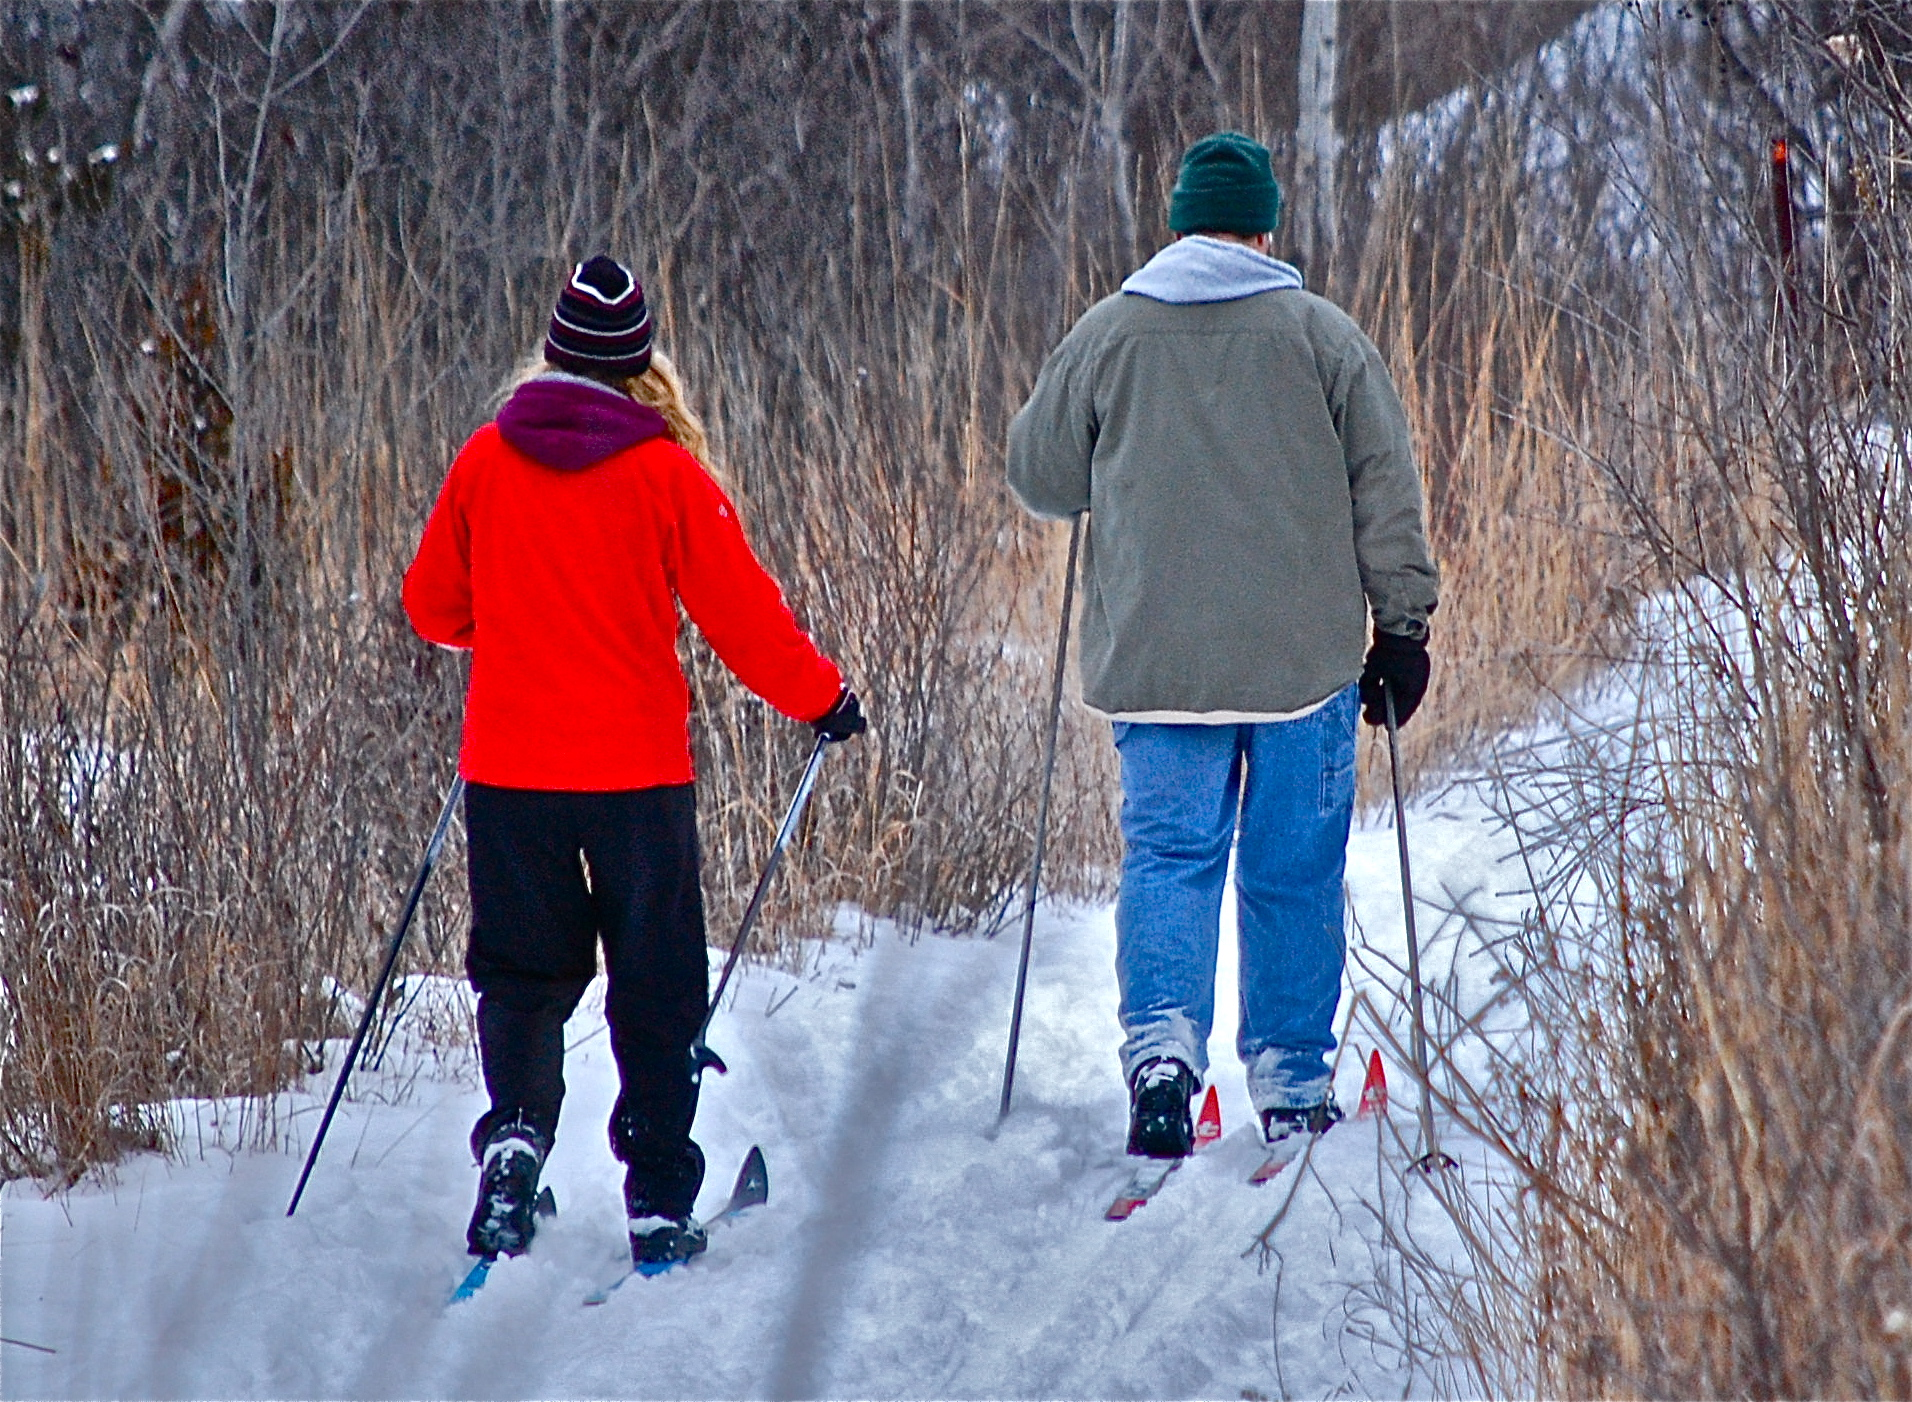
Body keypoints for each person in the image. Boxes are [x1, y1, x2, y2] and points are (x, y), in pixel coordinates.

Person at [403, 255, 865, 1267]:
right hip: (635, 779)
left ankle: (515, 1147)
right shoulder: (665, 475)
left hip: (511, 773)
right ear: (637, 362)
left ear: (555, 350)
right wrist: (823, 698)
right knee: (654, 984)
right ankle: (657, 1197)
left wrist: (521, 619)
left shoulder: (485, 459)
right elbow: (746, 620)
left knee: (522, 975)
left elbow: (432, 607)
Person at [1005, 133, 1438, 1160]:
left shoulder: (1109, 335)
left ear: (1176, 223)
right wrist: (1404, 625)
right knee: (1292, 867)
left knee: (1170, 858)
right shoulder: (1323, 336)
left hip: (1158, 670)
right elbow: (1386, 486)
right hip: (1304, 667)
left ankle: (1162, 1059)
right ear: (1265, 225)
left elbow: (1038, 474)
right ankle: (1291, 1079)